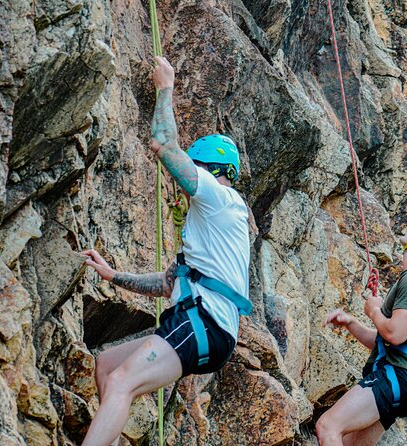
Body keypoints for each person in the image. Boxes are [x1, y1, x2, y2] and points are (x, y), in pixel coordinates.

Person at [80, 56, 251, 446]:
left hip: (204, 324)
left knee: (122, 382)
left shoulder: (218, 196)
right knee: (108, 369)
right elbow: (169, 283)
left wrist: (165, 88)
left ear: (209, 168)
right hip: (200, 323)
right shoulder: (213, 221)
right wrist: (113, 276)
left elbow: (163, 144)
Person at [316, 218, 407, 445]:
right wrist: (351, 324)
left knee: (328, 426)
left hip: (397, 375)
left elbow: (395, 334)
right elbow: (390, 342)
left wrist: (374, 310)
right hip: (406, 383)